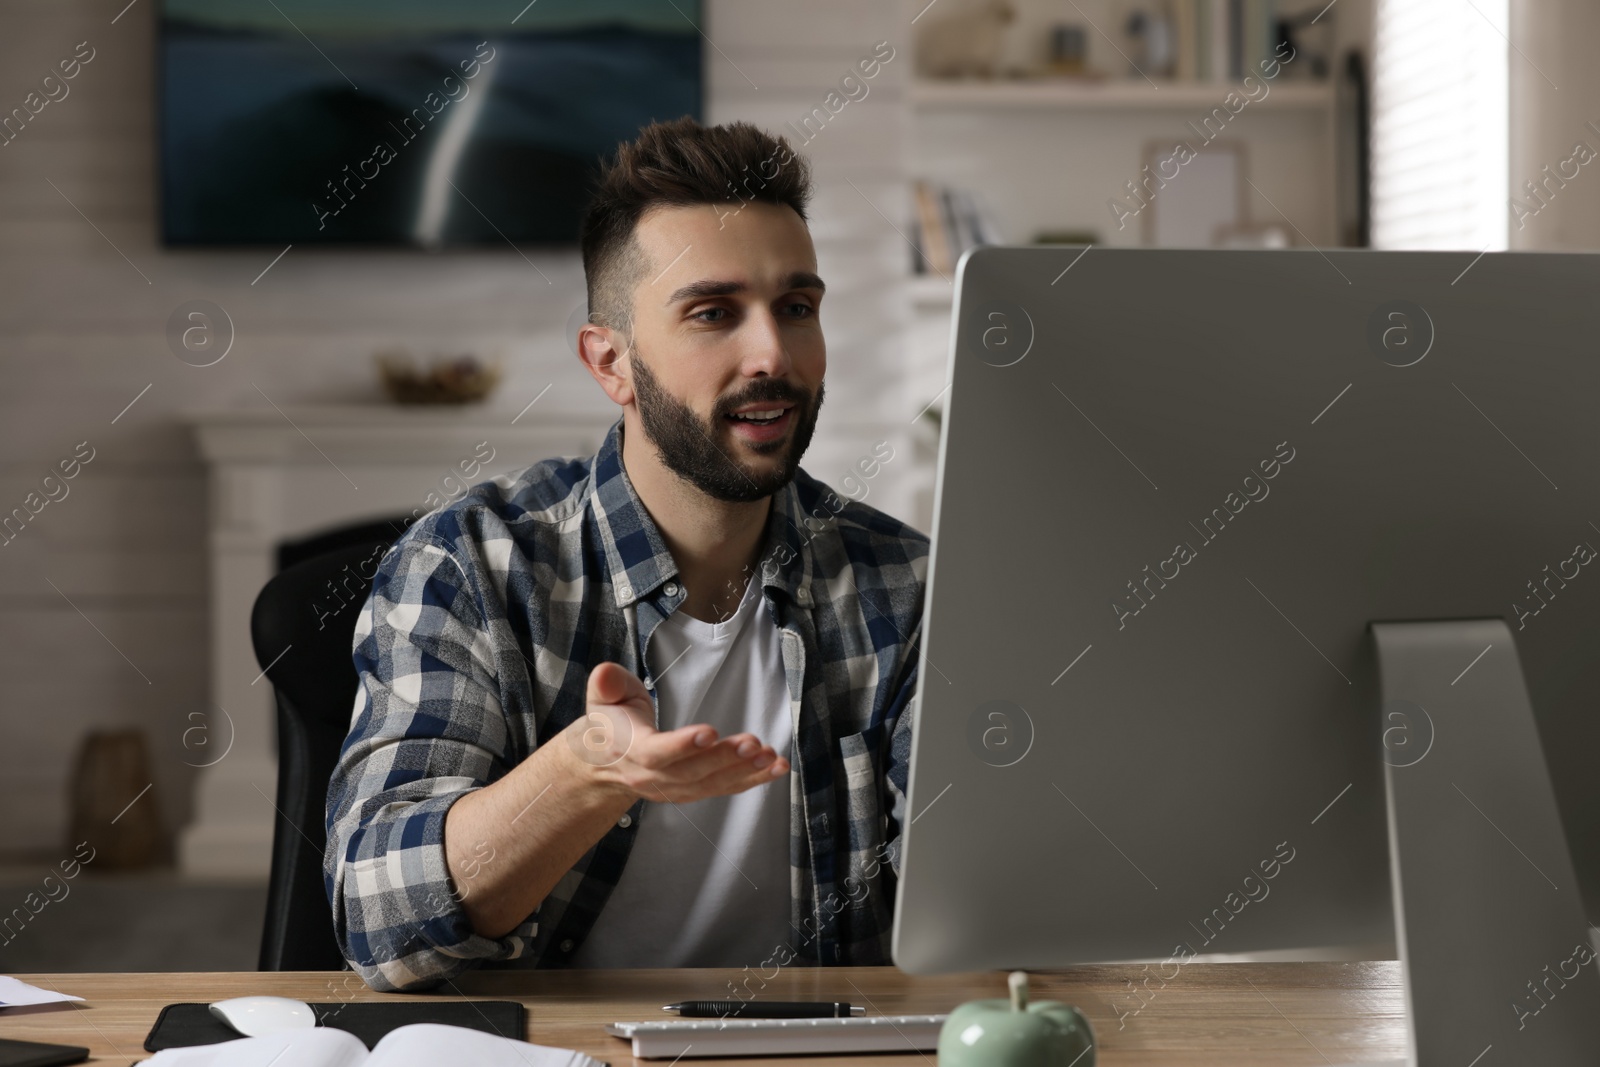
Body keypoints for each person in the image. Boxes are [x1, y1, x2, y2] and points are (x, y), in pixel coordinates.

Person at [324, 116, 929, 992]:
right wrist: (584, 771)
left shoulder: (907, 585)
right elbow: (377, 922)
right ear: (613, 364)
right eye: (714, 313)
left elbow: (988, 907)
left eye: (797, 307)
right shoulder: (471, 565)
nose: (773, 353)